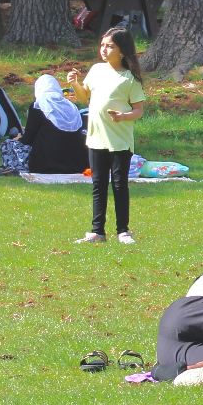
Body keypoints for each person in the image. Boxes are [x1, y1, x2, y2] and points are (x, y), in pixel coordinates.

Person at [64, 28, 147, 245]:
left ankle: (123, 231)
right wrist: (75, 83)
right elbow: (84, 98)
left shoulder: (129, 78)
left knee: (119, 185)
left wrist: (123, 116)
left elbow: (139, 110)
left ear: (122, 51)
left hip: (119, 140)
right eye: (102, 45)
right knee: (98, 184)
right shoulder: (96, 70)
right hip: (96, 138)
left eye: (110, 46)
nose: (104, 49)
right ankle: (97, 231)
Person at [24, 74, 90, 174]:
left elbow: (28, 137)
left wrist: (17, 138)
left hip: (45, 164)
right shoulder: (71, 106)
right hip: (77, 164)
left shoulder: (38, 106)